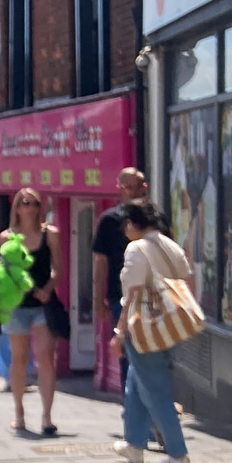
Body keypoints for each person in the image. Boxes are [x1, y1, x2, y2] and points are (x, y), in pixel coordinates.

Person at [110, 201, 193, 463]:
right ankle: (134, 442)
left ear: (133, 224)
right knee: (137, 381)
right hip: (170, 326)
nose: (124, 231)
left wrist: (119, 332)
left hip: (144, 328)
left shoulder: (137, 249)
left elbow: (131, 295)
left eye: (125, 225)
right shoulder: (170, 245)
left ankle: (178, 455)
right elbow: (186, 281)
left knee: (155, 391)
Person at [0, 187, 61, 435]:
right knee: (19, 359)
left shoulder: (51, 234)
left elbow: (58, 267)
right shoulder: (7, 237)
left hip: (43, 304)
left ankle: (47, 417)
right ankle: (19, 413)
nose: (29, 207)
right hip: (17, 305)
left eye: (33, 203)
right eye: (24, 203)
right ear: (16, 207)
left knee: (46, 358)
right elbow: (4, 271)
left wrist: (48, 288)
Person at [93, 167, 152, 397]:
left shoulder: (155, 218)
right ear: (119, 189)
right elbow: (100, 261)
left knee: (150, 357)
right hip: (121, 299)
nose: (135, 191)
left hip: (153, 299)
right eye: (129, 186)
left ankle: (145, 413)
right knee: (129, 357)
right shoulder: (109, 220)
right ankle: (133, 414)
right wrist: (99, 298)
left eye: (139, 185)